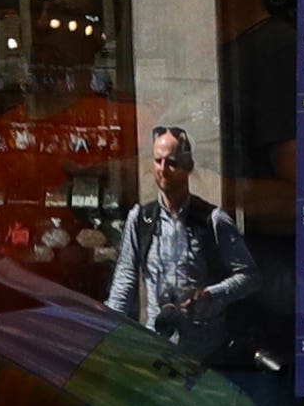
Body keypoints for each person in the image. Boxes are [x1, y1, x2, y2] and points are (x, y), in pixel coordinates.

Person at [104, 126, 254, 356]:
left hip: (206, 349)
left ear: (188, 167)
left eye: (171, 163)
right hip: (156, 343)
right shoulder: (141, 218)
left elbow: (249, 276)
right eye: (157, 161)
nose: (163, 170)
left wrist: (211, 294)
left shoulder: (213, 220)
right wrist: (107, 332)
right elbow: (125, 279)